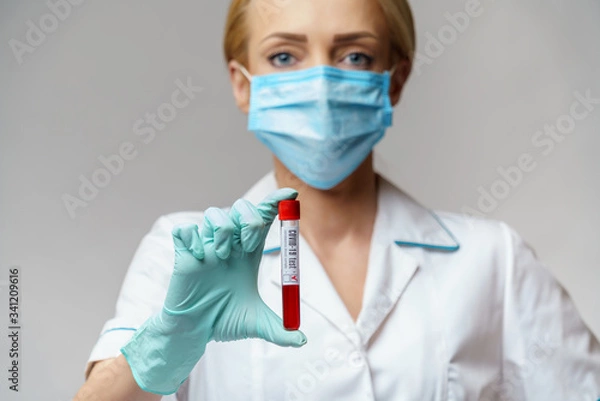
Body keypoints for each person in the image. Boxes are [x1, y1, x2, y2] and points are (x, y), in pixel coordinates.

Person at [74, 0, 600, 400]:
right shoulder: (184, 252)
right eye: (284, 56)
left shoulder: (493, 261)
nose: (321, 84)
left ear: (394, 80)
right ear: (243, 85)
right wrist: (168, 343)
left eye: (354, 55)